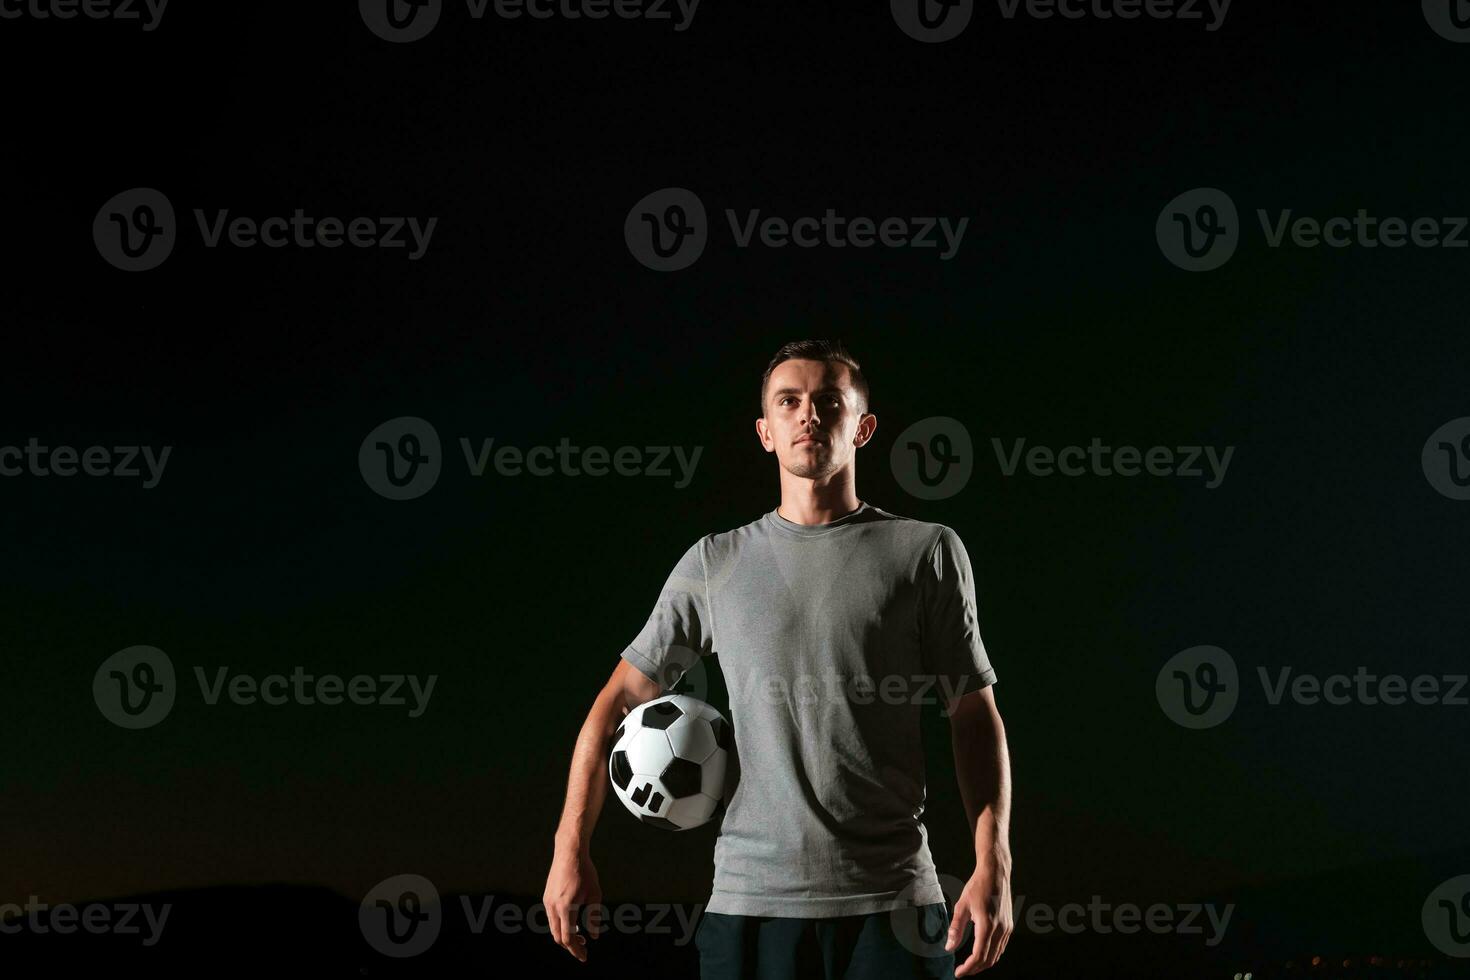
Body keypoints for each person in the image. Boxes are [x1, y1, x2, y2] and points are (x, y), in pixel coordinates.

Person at [543, 340, 1013, 977]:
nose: (808, 416)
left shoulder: (925, 554)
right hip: (749, 907)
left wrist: (995, 863)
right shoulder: (717, 563)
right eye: (789, 402)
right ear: (765, 432)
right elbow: (619, 702)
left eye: (828, 401)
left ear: (863, 427)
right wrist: (569, 846)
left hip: (893, 906)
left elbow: (971, 714)